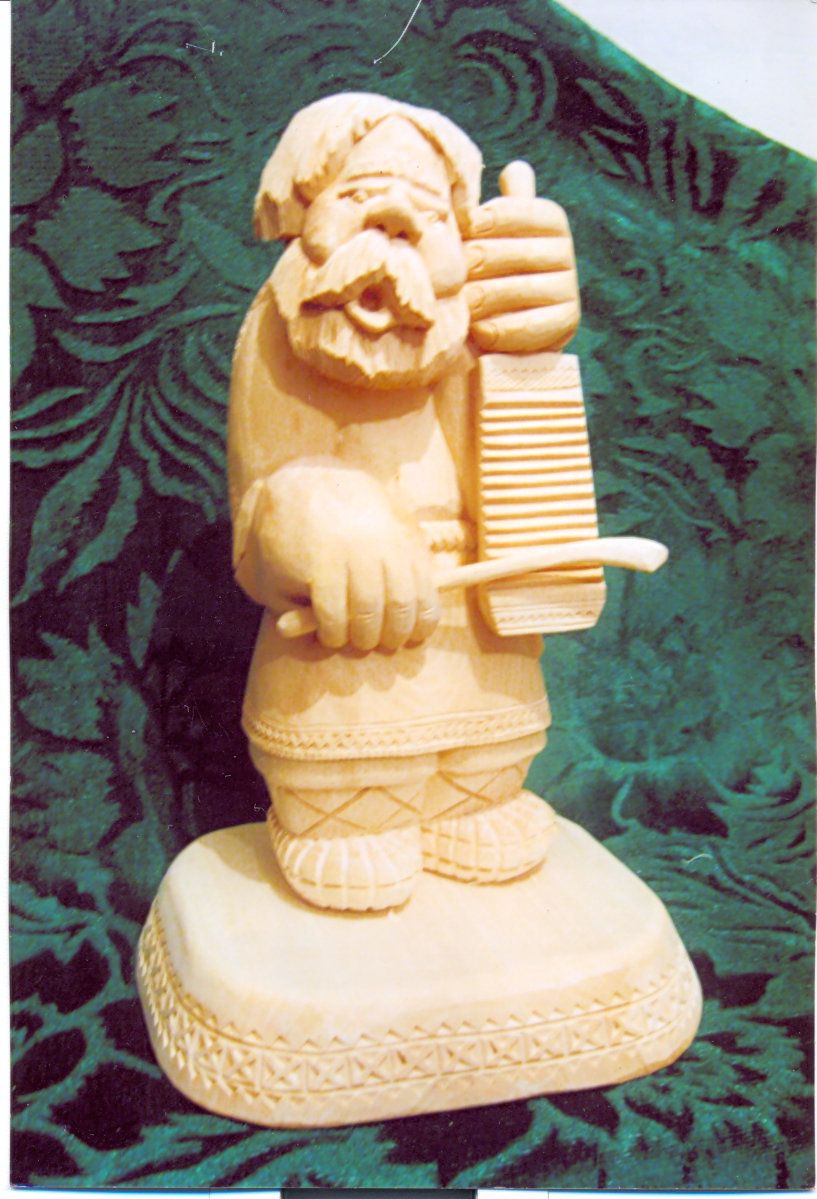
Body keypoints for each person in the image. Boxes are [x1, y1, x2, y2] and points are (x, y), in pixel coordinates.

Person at [228, 93, 581, 911]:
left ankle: (473, 799)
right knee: (346, 772)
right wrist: (311, 512)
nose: (391, 222)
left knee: (487, 760)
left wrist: (531, 350)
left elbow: (518, 473)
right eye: (357, 197)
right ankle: (338, 820)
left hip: (475, 639)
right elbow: (256, 519)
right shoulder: (278, 329)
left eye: (426, 210)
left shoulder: (464, 338)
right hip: (339, 646)